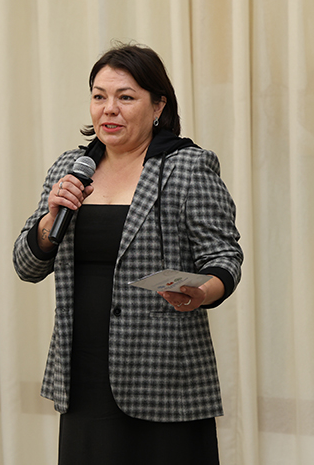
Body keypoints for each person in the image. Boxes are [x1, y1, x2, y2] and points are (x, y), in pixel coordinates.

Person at [13, 43, 243, 464]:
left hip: (163, 377)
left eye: (126, 97)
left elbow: (224, 258)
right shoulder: (70, 168)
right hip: (82, 374)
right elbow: (26, 265)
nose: (109, 109)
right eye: (99, 96)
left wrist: (201, 292)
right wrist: (49, 222)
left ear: (158, 106)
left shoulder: (188, 167)